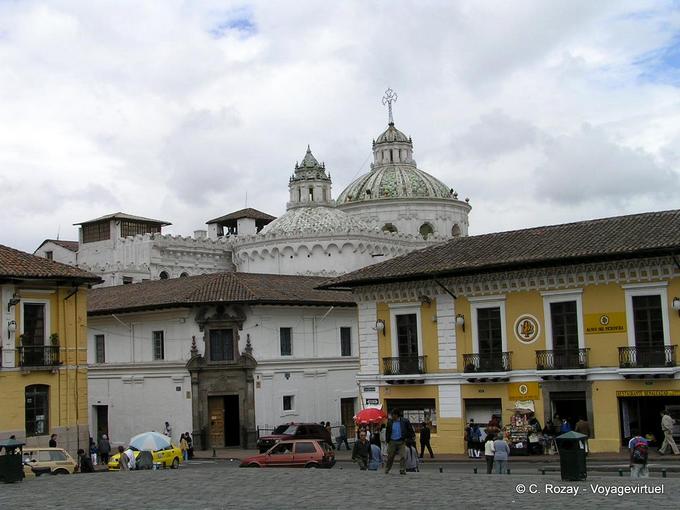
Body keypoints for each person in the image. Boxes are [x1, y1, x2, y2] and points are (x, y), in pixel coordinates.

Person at [384, 409, 414, 475]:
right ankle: (387, 468)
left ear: (396, 415)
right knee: (390, 456)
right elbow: (387, 432)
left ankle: (402, 469)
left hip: (401, 441)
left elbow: (410, 430)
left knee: (403, 456)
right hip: (392, 441)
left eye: (393, 415)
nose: (392, 416)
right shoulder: (390, 422)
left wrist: (409, 438)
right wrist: (387, 440)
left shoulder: (404, 421)